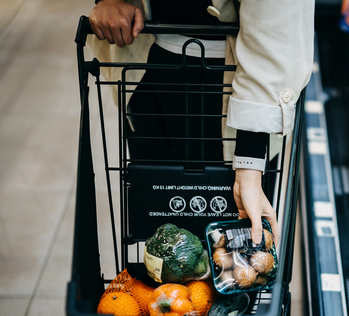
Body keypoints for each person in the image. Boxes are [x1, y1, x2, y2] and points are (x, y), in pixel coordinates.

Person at [88, 0, 315, 247]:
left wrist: (249, 163)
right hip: (145, 59)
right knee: (160, 237)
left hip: (236, 82)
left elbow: (276, 16)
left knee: (234, 252)